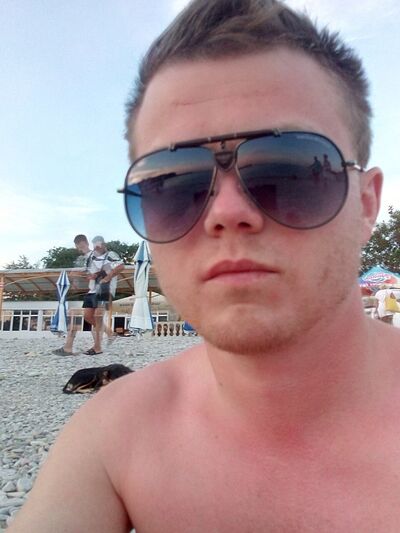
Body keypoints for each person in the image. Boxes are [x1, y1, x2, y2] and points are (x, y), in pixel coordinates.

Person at [9, 0, 400, 531]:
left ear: (367, 205)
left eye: (288, 172)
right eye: (174, 185)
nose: (227, 213)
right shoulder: (114, 437)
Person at [82, 235, 125, 355]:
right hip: (92, 290)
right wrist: (92, 276)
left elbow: (121, 266)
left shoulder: (111, 255)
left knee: (98, 316)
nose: (97, 248)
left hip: (106, 290)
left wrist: (108, 277)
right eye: (95, 246)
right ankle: (110, 333)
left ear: (103, 245)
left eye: (98, 246)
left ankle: (97, 347)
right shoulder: (91, 257)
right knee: (87, 316)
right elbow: (92, 272)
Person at [52, 234, 94, 356]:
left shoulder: (93, 257)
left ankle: (100, 344)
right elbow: (73, 273)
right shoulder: (82, 258)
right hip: (83, 291)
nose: (80, 249)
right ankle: (68, 347)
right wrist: (75, 279)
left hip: (91, 291)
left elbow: (85, 273)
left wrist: (77, 276)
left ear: (84, 243)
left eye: (80, 246)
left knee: (91, 319)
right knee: (78, 319)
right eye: (79, 247)